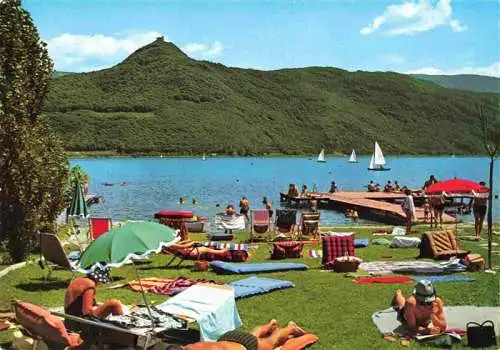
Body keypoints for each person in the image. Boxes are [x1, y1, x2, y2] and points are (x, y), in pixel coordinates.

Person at [181, 319, 307, 350]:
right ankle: (269, 326)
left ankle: (290, 328)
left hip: (244, 346)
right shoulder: (189, 347)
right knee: (252, 335)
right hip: (228, 337)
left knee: (270, 343)